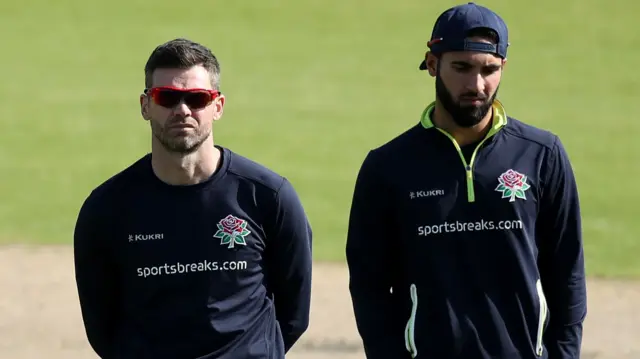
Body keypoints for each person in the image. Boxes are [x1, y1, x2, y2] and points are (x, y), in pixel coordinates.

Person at [345, 3, 587, 359]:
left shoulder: (541, 154)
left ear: (503, 68)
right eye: (461, 67)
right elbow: (370, 287)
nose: (476, 84)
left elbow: (567, 273)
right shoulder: (388, 166)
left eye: (489, 69)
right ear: (432, 64)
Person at [73, 38, 313, 359]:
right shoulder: (106, 209)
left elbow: (293, 315)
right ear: (146, 105)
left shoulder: (269, 197)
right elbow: (102, 328)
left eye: (197, 98)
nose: (182, 109)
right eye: (167, 97)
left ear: (218, 106)